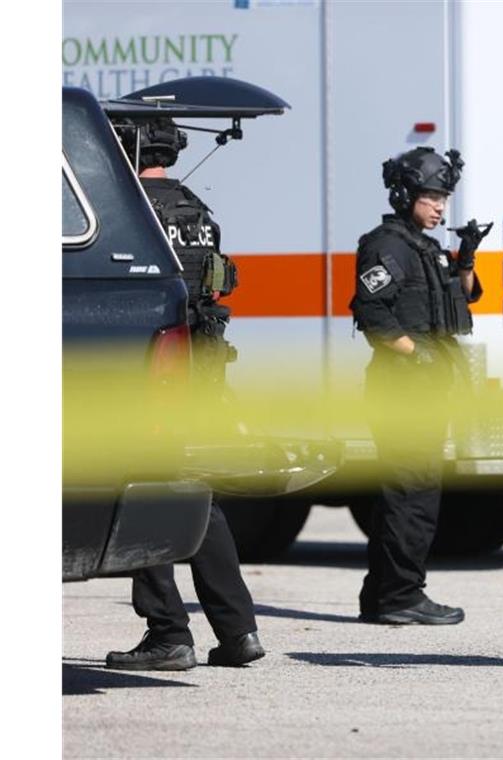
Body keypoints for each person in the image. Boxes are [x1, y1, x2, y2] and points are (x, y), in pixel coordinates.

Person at [105, 117, 263, 670]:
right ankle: (238, 630)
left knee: (144, 496)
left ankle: (168, 633)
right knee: (200, 499)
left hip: (155, 374)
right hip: (203, 372)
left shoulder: (127, 210)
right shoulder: (197, 209)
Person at [350, 146, 490, 625]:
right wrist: (418, 354)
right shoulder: (387, 246)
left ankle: (383, 596)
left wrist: (467, 258)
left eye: (444, 199)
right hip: (402, 390)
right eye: (431, 196)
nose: (439, 207)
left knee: (408, 493)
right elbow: (372, 314)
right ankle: (401, 597)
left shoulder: (424, 248)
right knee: (411, 496)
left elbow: (463, 296)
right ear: (405, 193)